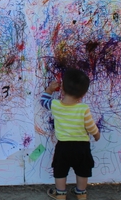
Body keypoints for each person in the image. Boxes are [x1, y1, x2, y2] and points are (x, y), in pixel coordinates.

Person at [41, 68, 100, 200]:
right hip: (82, 147)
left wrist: (49, 90)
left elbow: (43, 102)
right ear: (83, 94)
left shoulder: (56, 105)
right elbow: (90, 126)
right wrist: (96, 135)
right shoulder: (83, 108)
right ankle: (81, 193)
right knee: (83, 170)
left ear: (62, 88)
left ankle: (61, 194)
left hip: (63, 147)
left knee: (60, 170)